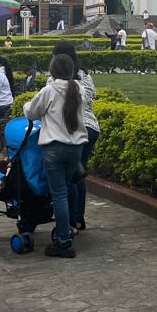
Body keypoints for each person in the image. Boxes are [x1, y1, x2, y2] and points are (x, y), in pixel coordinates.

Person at [23, 54, 90, 258]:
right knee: (67, 187)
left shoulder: (49, 90)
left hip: (54, 147)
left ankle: (63, 241)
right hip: (76, 147)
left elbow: (30, 112)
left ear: (52, 71)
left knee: (58, 194)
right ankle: (69, 227)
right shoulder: (79, 88)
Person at [52, 41, 97, 232]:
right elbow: (92, 96)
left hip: (73, 129)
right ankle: (78, 218)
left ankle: (71, 220)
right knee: (79, 174)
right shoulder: (84, 74)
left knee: (69, 178)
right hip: (91, 127)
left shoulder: (55, 80)